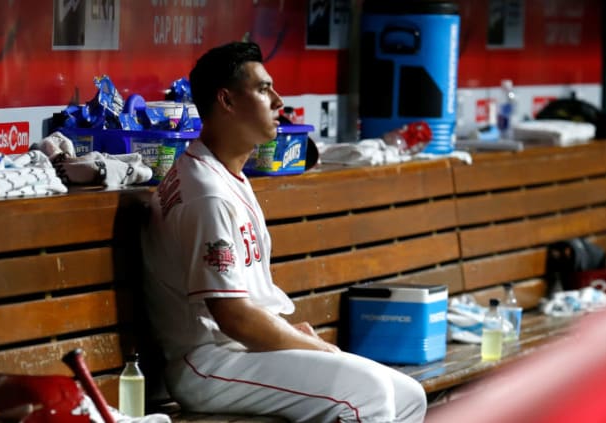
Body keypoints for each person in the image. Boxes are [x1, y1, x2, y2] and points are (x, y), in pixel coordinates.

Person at [141, 41, 427, 423]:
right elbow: (234, 319)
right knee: (368, 393)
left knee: (409, 395)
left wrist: (287, 333)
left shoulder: (222, 173)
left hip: (242, 350)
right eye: (263, 89)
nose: (278, 101)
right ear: (226, 100)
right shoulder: (206, 194)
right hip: (209, 363)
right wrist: (313, 347)